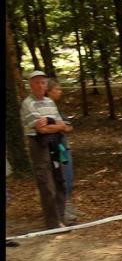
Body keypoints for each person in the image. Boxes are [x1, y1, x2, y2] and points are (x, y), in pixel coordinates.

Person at [20, 70, 72, 229]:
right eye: (36, 82)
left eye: (43, 82)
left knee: (60, 180)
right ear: (30, 85)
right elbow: (40, 129)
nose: (40, 85)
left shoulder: (50, 102)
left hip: (55, 144)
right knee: (46, 184)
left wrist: (51, 122)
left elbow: (64, 125)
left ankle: (61, 217)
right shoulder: (28, 103)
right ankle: (53, 222)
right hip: (38, 145)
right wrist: (56, 125)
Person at [47, 80, 77, 224]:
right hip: (54, 149)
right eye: (57, 89)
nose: (60, 91)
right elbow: (46, 128)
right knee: (61, 179)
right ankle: (61, 211)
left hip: (63, 148)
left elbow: (68, 126)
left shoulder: (56, 108)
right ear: (49, 91)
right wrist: (60, 127)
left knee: (69, 178)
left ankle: (67, 206)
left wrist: (62, 127)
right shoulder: (45, 108)